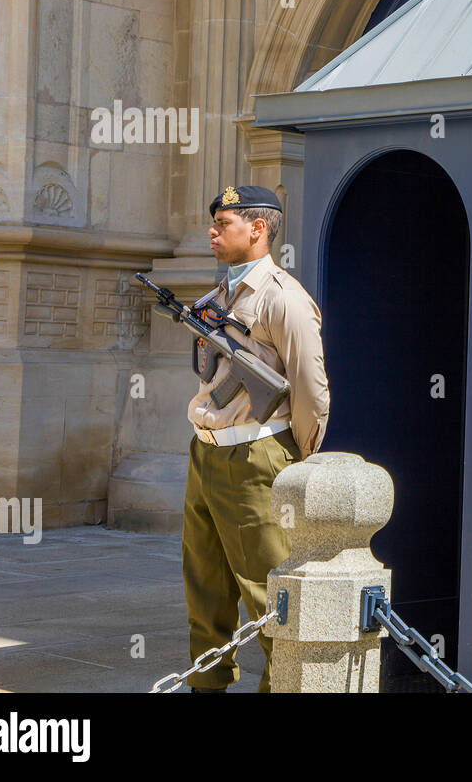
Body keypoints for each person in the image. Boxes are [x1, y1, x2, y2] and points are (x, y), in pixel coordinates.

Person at [182, 184, 330, 692]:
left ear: (258, 229)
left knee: (268, 595)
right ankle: (208, 686)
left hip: (257, 454)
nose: (212, 232)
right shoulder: (216, 296)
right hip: (206, 453)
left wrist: (295, 456)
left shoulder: (284, 299)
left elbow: (311, 389)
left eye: (223, 223)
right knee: (204, 589)